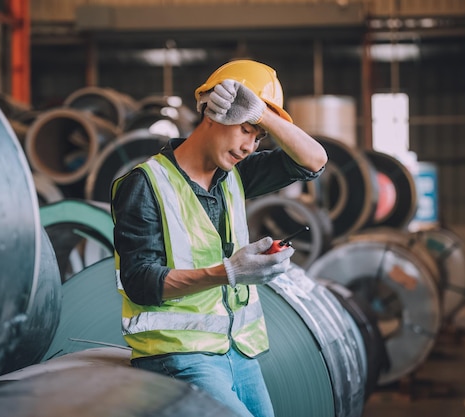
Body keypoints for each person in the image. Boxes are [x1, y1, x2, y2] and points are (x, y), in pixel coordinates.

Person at [110, 59, 328, 417]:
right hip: (177, 355)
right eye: (245, 129)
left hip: (238, 353)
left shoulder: (235, 175)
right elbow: (139, 282)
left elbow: (313, 162)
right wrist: (229, 272)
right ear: (213, 112)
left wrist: (263, 116)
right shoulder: (145, 184)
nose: (249, 148)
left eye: (258, 138)